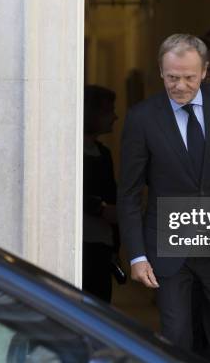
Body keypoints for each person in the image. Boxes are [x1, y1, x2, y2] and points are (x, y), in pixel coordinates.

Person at [117, 34, 210, 362]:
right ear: (160, 71)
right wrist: (137, 256)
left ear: (206, 71)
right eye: (172, 77)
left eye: (189, 78)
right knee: (176, 340)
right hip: (169, 248)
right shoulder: (142, 117)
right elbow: (128, 193)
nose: (180, 86)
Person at [82, 85, 119, 303]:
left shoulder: (104, 153)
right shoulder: (73, 151)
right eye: (108, 111)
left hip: (103, 246)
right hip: (84, 247)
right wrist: (101, 209)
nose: (114, 117)